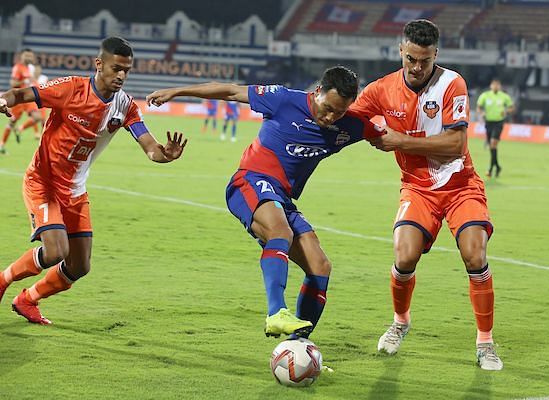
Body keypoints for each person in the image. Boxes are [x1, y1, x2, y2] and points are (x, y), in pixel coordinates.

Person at [147, 66, 383, 338]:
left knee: (320, 266)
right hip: (249, 182)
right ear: (317, 91)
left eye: (339, 112)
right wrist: (176, 91)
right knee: (279, 230)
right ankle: (276, 313)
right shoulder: (284, 100)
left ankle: (298, 345)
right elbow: (231, 91)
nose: (330, 117)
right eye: (327, 107)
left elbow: (390, 138)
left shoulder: (350, 125)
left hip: (282, 199)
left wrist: (430, 144)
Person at [0, 37, 187, 324]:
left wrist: (166, 154)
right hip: (44, 182)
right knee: (56, 251)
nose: (122, 75)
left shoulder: (125, 107)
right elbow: (21, 94)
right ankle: (4, 279)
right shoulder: (70, 88)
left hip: (75, 190)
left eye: (127, 70)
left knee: (79, 266)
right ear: (99, 64)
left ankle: (28, 299)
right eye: (116, 68)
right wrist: (4, 100)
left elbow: (150, 148)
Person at [349, 19, 503, 370]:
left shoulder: (452, 83)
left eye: (425, 60)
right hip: (418, 188)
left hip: (460, 185)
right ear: (400, 51)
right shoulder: (381, 89)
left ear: (436, 54)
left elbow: (456, 143)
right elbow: (350, 121)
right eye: (411, 59)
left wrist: (396, 141)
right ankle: (400, 323)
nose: (417, 67)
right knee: (404, 257)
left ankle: (486, 343)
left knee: (475, 254)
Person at [0, 49, 44, 153]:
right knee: (12, 122)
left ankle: (20, 128)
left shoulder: (29, 69)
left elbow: (30, 83)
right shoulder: (18, 67)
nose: (29, 57)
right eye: (26, 55)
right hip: (18, 100)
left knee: (37, 117)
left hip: (27, 99)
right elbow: (13, 83)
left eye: (30, 56)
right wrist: (23, 81)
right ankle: (1, 144)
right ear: (22, 56)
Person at [477, 78, 514, 177]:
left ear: (500, 86)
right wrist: (482, 113)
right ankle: (497, 166)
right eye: (494, 85)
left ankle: (490, 169)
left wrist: (506, 111)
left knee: (493, 143)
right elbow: (479, 107)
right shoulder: (485, 96)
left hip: (499, 122)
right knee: (492, 146)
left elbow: (511, 107)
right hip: (488, 122)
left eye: (498, 85)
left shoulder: (504, 96)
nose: (496, 87)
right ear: (491, 86)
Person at [18, 64, 49, 140]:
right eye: (36, 70)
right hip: (33, 101)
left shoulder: (44, 78)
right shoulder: (30, 79)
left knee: (43, 119)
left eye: (39, 70)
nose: (37, 71)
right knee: (37, 117)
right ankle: (38, 134)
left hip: (42, 101)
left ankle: (42, 135)